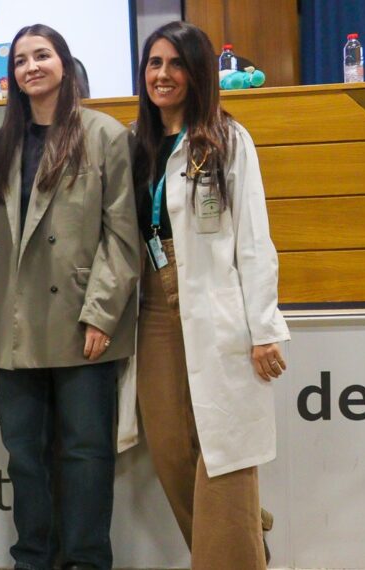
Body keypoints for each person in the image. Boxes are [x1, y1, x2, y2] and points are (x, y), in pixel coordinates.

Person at [0, 24, 140, 570]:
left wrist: (102, 315)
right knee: (25, 460)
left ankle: (87, 562)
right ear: (12, 77)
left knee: (86, 457)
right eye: (20, 60)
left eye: (41, 56)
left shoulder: (105, 134)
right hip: (14, 326)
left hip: (80, 323)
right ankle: (33, 560)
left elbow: (122, 236)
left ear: (64, 64)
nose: (31, 67)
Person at [130, 21, 289, 569]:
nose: (163, 75)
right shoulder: (141, 146)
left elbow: (254, 238)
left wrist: (264, 329)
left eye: (176, 64)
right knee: (172, 450)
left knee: (225, 451)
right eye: (154, 63)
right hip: (152, 307)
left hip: (216, 305)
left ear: (198, 74)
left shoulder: (227, 139)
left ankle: (232, 555)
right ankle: (245, 533)